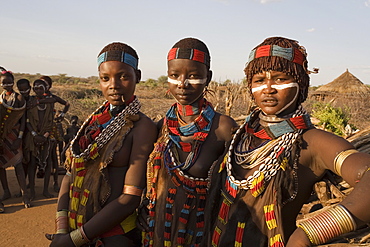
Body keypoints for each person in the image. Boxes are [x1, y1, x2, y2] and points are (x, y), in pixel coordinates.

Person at [206, 36, 370, 247]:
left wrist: (308, 234)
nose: (268, 88)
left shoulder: (313, 142)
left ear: (300, 82)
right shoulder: (241, 137)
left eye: (280, 79)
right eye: (258, 80)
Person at [46, 42, 157, 247]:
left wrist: (73, 240)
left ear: (138, 76)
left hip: (115, 235)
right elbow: (69, 175)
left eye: (123, 76)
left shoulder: (143, 127)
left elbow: (130, 198)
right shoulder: (94, 122)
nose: (113, 85)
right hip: (74, 228)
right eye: (105, 78)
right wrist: (62, 229)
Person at [141, 37, 237, 247]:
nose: (182, 84)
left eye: (193, 76)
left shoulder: (223, 129)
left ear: (208, 77)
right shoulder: (160, 128)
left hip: (203, 236)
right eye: (174, 75)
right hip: (157, 234)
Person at [0, 67, 30, 209]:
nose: (7, 85)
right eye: (4, 83)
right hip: (2, 136)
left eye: (9, 82)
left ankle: (25, 194)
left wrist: (19, 137)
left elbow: (22, 119)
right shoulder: (1, 98)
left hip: (15, 135)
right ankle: (6, 191)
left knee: (18, 165)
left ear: (13, 82)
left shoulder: (18, 98)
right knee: (1, 166)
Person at [25, 79, 55, 199]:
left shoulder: (49, 103)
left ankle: (45, 190)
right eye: (35, 88)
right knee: (32, 163)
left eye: (40, 88)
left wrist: (45, 136)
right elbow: (27, 121)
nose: (38, 90)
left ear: (45, 89)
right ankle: (32, 191)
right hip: (32, 137)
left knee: (48, 164)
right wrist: (34, 135)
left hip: (45, 136)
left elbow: (51, 121)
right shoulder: (30, 102)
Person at [40, 75, 70, 193]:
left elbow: (67, 104)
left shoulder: (52, 97)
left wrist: (62, 115)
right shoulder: (37, 98)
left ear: (49, 86)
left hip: (51, 128)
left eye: (45, 84)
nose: (42, 86)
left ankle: (55, 183)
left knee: (52, 156)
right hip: (39, 128)